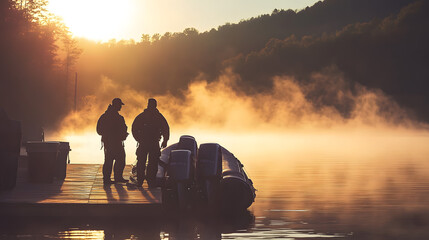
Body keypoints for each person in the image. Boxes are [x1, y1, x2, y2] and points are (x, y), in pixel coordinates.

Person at [131, 98, 169, 188]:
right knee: (145, 162)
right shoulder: (150, 116)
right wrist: (138, 139)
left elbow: (165, 129)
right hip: (146, 142)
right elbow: (134, 129)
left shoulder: (151, 116)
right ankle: (145, 181)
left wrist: (165, 140)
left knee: (150, 162)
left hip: (151, 143)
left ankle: (146, 181)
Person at [96, 98, 129, 184]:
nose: (121, 107)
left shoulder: (107, 116)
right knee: (110, 160)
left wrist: (123, 134)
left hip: (114, 142)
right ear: (116, 105)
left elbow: (99, 130)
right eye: (120, 105)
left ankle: (114, 178)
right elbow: (99, 130)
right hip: (111, 142)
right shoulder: (109, 117)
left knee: (118, 160)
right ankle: (110, 179)